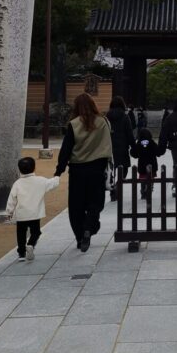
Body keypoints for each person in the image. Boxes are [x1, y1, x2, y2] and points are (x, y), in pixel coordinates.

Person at [54, 92, 113, 252]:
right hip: (97, 168)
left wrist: (59, 170)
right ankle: (89, 227)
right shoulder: (103, 122)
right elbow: (108, 146)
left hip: (78, 170)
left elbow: (66, 149)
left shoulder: (73, 124)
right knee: (96, 202)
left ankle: (80, 236)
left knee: (76, 205)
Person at [6, 157, 59, 261]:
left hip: (21, 214)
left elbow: (12, 199)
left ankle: (21, 253)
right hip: (35, 213)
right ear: (34, 168)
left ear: (19, 169)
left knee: (21, 233)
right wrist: (57, 175)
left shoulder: (17, 183)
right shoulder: (40, 181)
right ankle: (30, 244)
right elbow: (52, 183)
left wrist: (9, 212)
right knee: (36, 232)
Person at [106, 96, 135, 201]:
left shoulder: (106, 117)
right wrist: (134, 146)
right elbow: (129, 133)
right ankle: (119, 185)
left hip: (108, 147)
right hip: (122, 146)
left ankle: (112, 189)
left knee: (110, 170)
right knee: (123, 169)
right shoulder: (125, 117)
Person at [132, 126, 159, 198]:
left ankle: (143, 192)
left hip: (142, 165)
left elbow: (133, 153)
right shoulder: (151, 142)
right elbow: (158, 151)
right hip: (152, 164)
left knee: (143, 179)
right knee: (151, 178)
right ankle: (149, 188)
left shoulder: (139, 143)